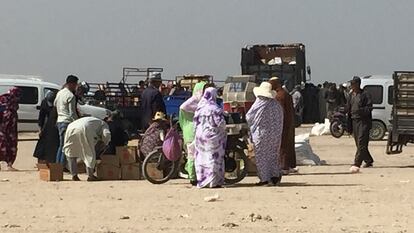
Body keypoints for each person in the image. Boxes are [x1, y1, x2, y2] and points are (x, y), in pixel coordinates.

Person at [246, 82, 283, 186]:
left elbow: (249, 117)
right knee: (273, 155)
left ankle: (265, 179)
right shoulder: (276, 104)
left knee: (262, 156)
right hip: (275, 135)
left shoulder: (259, 103)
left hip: (262, 134)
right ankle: (274, 177)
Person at [194, 87, 226, 188]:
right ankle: (213, 182)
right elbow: (220, 123)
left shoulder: (200, 107)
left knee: (201, 159)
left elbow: (195, 123)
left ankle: (202, 180)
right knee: (212, 158)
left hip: (200, 137)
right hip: (212, 137)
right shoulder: (215, 108)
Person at [64, 116, 111, 181]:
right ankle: (90, 176)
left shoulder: (93, 120)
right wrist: (105, 143)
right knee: (89, 152)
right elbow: (106, 134)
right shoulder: (104, 124)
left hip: (70, 127)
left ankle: (74, 175)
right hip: (85, 128)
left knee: (70, 152)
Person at [179, 81, 207, 185]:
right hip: (191, 131)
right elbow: (182, 108)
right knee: (192, 155)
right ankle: (192, 177)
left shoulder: (199, 102)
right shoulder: (191, 103)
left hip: (194, 130)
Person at [268, 77, 297, 175]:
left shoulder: (279, 96)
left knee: (282, 146)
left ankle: (284, 166)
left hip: (283, 124)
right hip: (288, 123)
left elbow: (281, 112)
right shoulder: (284, 93)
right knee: (288, 144)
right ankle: (288, 165)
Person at [347, 77, 374, 173]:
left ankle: (356, 163)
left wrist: (361, 111)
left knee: (362, 141)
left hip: (363, 121)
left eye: (353, 84)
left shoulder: (365, 95)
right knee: (359, 144)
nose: (352, 86)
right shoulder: (351, 95)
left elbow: (369, 107)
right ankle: (368, 160)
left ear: (358, 84)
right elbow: (349, 109)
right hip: (354, 121)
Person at [54, 75, 79, 166]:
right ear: (72, 84)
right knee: (66, 146)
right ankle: (61, 165)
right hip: (67, 121)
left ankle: (57, 166)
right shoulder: (70, 96)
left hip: (59, 120)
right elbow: (72, 113)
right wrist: (77, 122)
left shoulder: (59, 93)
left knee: (61, 145)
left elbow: (55, 104)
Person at [33, 91, 59, 163]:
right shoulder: (44, 103)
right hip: (46, 125)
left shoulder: (58, 103)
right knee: (42, 144)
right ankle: (41, 161)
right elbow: (41, 116)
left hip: (55, 124)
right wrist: (40, 129)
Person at [0, 87, 20, 171]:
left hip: (9, 129)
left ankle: (9, 164)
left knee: (6, 146)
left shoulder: (11, 102)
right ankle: (9, 164)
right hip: (5, 129)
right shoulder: (6, 101)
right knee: (5, 146)